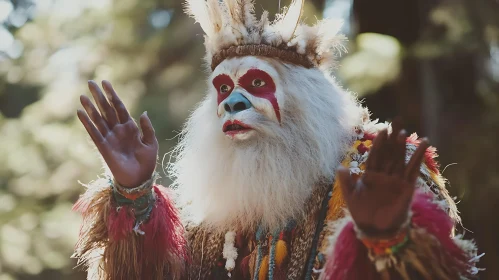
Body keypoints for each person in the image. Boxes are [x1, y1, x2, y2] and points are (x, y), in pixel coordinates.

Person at [73, 0, 480, 279]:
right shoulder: (220, 219)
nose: (231, 103)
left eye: (255, 82)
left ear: (304, 98)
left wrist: (393, 240)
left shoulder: (377, 168)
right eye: (222, 88)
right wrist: (133, 196)